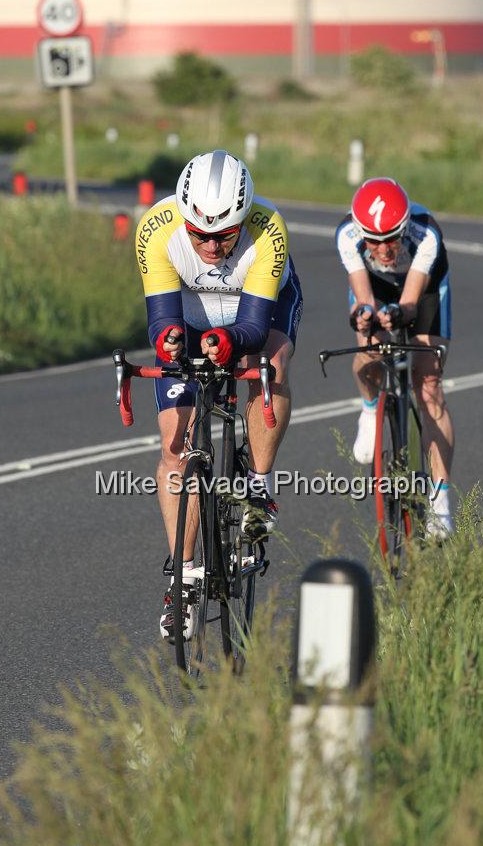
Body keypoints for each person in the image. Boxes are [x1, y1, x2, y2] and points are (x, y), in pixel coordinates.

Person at [135, 149, 302, 639]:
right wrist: (167, 340)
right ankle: (183, 583)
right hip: (188, 311)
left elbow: (252, 325)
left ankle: (259, 486)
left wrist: (232, 342)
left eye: (224, 234)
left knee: (267, 364)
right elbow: (161, 316)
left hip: (258, 309)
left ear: (243, 218)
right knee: (174, 449)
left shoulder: (268, 227)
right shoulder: (157, 228)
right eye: (199, 234)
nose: (210, 245)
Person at [335, 177, 455, 537]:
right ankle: (371, 407)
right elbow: (364, 297)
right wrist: (366, 316)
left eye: (392, 238)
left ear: (405, 228)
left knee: (429, 381)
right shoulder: (346, 236)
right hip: (375, 284)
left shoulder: (426, 233)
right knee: (369, 346)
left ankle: (440, 501)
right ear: (360, 232)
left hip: (424, 287)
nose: (384, 249)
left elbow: (411, 302)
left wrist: (401, 315)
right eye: (374, 240)